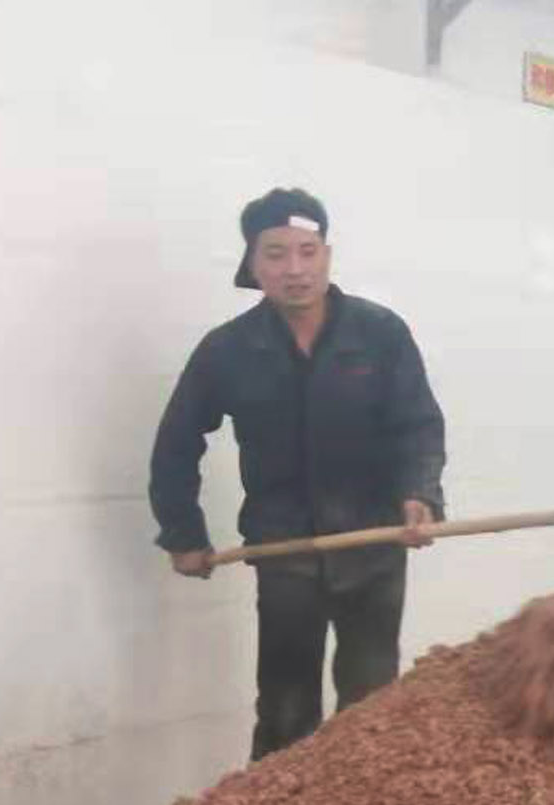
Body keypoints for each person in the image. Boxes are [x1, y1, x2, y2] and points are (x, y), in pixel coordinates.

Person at [149, 187, 447, 760]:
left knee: (371, 708)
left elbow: (418, 425)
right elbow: (176, 443)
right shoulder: (228, 350)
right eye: (277, 253)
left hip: (374, 546)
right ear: (252, 264)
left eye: (308, 252)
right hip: (284, 550)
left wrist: (419, 493)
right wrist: (182, 533)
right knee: (286, 711)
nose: (295, 269)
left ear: (327, 255)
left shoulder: (380, 333)